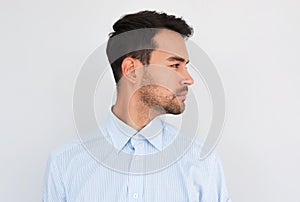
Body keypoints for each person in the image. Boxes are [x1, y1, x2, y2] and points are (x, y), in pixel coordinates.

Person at [43, 10, 231, 202]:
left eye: (186, 66)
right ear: (132, 70)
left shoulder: (202, 162)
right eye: (174, 65)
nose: (188, 79)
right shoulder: (65, 164)